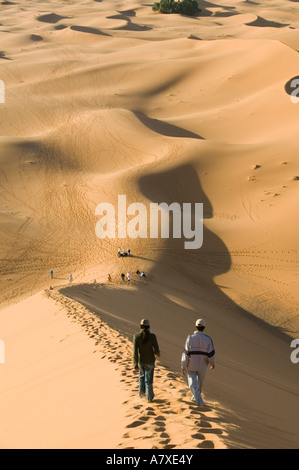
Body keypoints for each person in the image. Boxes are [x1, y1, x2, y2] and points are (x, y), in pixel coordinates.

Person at [181, 319, 215, 407]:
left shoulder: (190, 337)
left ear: (195, 327)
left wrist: (183, 366)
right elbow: (211, 353)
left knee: (192, 384)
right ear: (204, 327)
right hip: (202, 366)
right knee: (199, 385)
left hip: (191, 364)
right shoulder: (208, 339)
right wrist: (212, 363)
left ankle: (199, 402)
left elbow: (186, 353)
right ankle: (198, 400)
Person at [133, 319, 160, 402]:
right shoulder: (152, 336)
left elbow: (135, 352)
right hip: (150, 361)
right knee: (149, 380)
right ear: (149, 327)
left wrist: (135, 364)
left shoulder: (136, 336)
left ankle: (142, 397)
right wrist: (157, 354)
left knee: (141, 378)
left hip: (141, 361)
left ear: (140, 326)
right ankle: (149, 398)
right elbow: (156, 350)